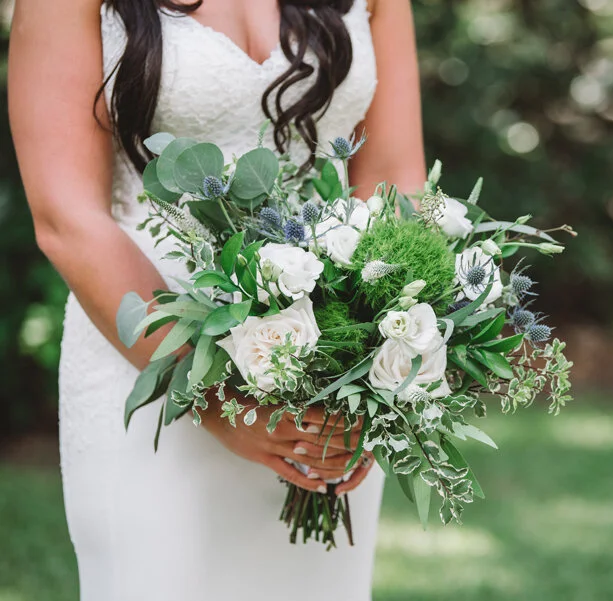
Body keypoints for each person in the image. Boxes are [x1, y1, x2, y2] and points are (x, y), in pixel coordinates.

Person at [9, 0, 425, 599]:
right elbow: (67, 218)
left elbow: (395, 185)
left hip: (329, 373)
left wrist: (378, 356)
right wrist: (212, 399)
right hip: (146, 356)